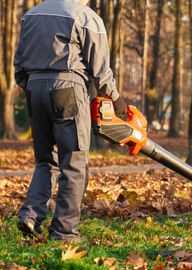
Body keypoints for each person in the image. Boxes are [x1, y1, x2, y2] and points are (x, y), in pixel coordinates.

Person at [14, 0, 127, 242]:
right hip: (67, 88)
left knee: (46, 160)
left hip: (34, 88)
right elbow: (100, 68)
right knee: (74, 161)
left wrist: (33, 86)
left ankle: (31, 215)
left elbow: (19, 64)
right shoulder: (85, 16)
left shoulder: (31, 15)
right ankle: (64, 231)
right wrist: (116, 99)